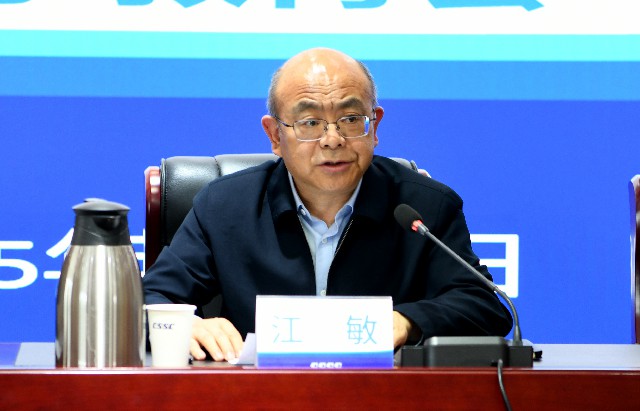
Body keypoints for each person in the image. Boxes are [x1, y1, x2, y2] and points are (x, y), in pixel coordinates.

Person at [143, 47, 513, 362]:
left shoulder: (423, 208)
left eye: (350, 119)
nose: (332, 139)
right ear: (275, 135)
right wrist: (187, 324)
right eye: (309, 122)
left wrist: (406, 322)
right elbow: (149, 298)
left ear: (375, 126)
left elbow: (484, 306)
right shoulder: (225, 207)